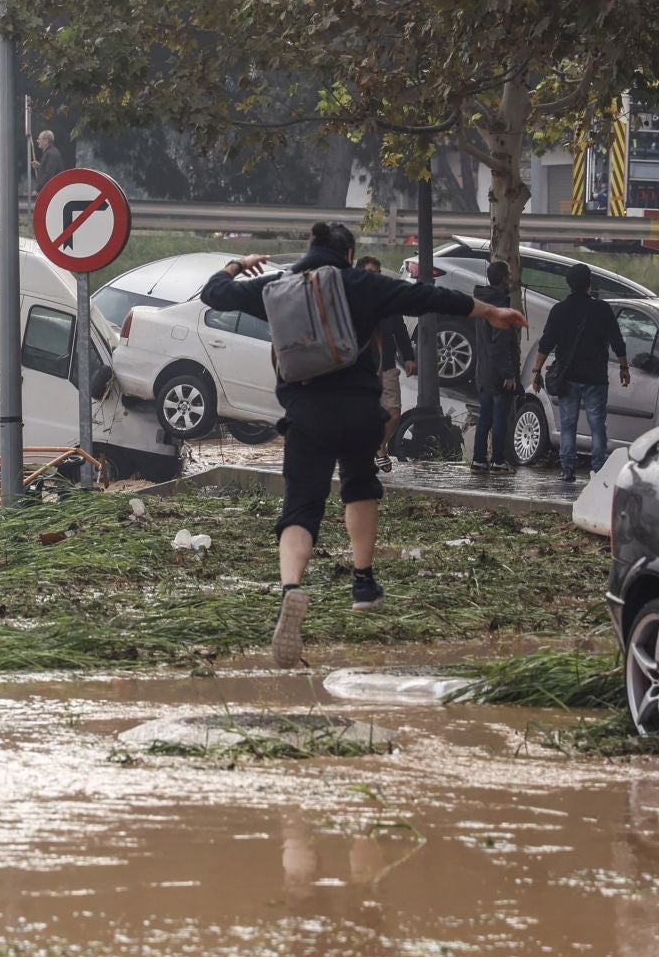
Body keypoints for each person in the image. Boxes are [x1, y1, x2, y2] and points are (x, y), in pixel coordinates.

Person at [204, 222, 526, 667]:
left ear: (309, 249)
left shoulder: (276, 287)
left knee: (301, 505)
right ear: (349, 255)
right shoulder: (362, 283)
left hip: (305, 412)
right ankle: (363, 581)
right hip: (358, 410)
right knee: (360, 484)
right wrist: (489, 313)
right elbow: (427, 297)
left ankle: (291, 587)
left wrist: (239, 263)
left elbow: (214, 293)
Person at [531, 264, 629, 483]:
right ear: (589, 283)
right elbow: (617, 341)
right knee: (597, 425)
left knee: (568, 425)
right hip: (596, 377)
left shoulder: (559, 310)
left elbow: (546, 344)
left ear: (569, 283)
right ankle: (598, 469)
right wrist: (624, 367)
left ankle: (567, 469)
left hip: (569, 377)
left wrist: (536, 371)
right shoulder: (602, 309)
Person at [354, 256, 414, 471]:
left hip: (387, 364)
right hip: (362, 368)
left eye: (377, 273)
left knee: (394, 412)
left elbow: (399, 329)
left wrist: (408, 356)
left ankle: (379, 445)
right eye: (370, 272)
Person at [470, 260, 521, 472]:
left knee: (485, 417)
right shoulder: (500, 307)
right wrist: (509, 374)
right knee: (500, 419)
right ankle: (498, 460)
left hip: (483, 370)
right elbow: (500, 344)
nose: (511, 279)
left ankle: (478, 459)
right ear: (502, 280)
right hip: (499, 373)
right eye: (509, 275)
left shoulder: (482, 303)